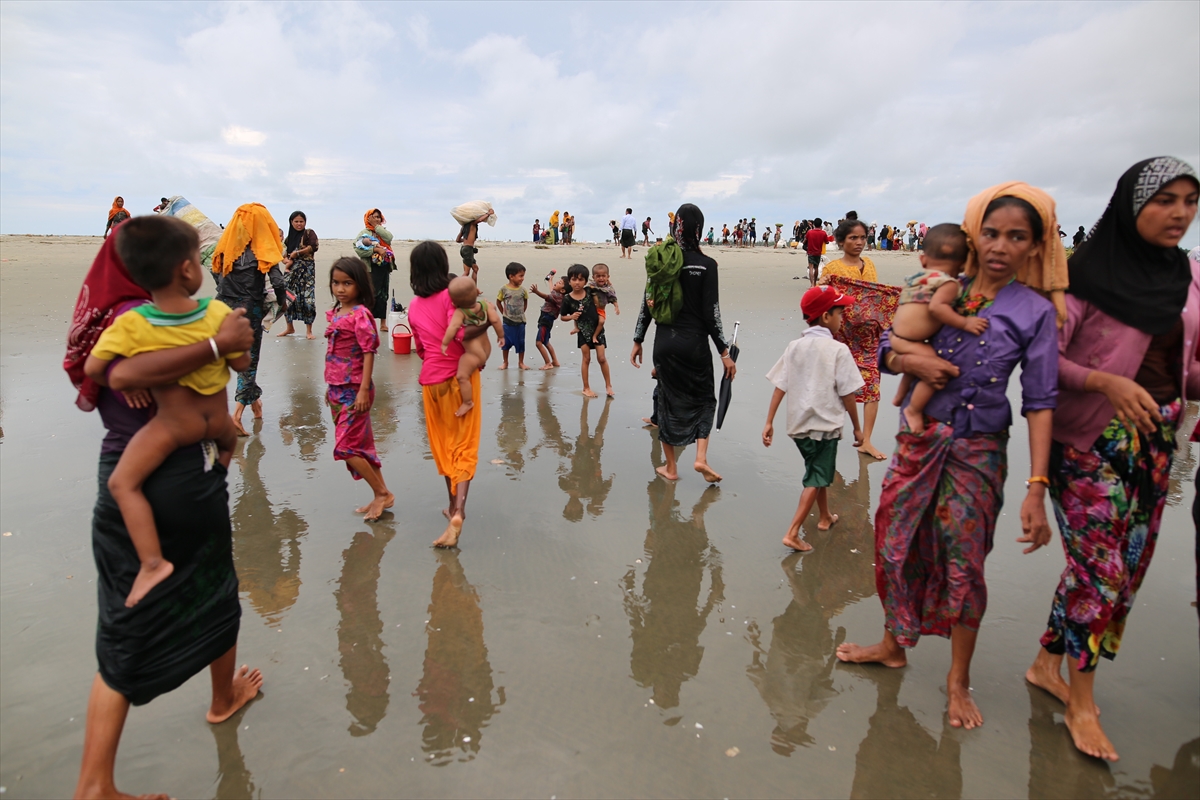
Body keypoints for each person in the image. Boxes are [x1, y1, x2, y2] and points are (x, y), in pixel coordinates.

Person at [836, 182, 1064, 734]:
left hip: (979, 449)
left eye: (1017, 237)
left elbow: (1040, 400)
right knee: (894, 543)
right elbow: (887, 349)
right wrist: (920, 360)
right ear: (973, 236)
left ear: (1034, 247)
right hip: (919, 440)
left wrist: (1038, 485)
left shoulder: (1033, 312)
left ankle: (957, 680)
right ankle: (894, 645)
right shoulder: (940, 286)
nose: (1001, 246)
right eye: (991, 233)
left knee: (965, 561)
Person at [66, 231, 261, 800]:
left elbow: (108, 375)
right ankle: (98, 783)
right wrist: (215, 351)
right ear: (183, 268)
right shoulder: (151, 316)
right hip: (180, 473)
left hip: (158, 469)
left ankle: (220, 700)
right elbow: (131, 377)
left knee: (152, 609)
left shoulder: (117, 317)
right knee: (209, 588)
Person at [1024, 157, 1199, 762]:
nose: (1180, 213)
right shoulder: (1079, 279)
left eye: (1190, 200)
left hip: (1158, 440)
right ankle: (1080, 702)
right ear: (1131, 205)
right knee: (1102, 573)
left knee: (1126, 565)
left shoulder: (1190, 277)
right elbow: (1047, 366)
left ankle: (1048, 663)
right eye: (1165, 200)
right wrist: (1105, 382)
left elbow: (1186, 367)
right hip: (1089, 444)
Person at [85, 215, 249, 608]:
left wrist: (137, 374)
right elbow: (241, 363)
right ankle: (219, 478)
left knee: (122, 484)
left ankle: (153, 562)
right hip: (221, 426)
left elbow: (94, 370)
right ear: (189, 268)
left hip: (177, 428)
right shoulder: (216, 313)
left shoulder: (134, 324)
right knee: (224, 458)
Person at [631, 203, 735, 482]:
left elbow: (646, 304)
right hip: (695, 345)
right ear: (699, 229)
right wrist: (724, 352)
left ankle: (671, 468)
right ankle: (700, 458)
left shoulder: (663, 260)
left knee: (667, 401)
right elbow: (711, 313)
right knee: (703, 400)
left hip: (664, 344)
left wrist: (638, 339)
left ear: (675, 226)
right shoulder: (706, 265)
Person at [762, 285, 864, 552]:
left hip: (798, 426)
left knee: (817, 471)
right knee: (817, 476)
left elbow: (780, 386)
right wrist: (857, 428)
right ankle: (793, 532)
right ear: (826, 316)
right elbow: (849, 394)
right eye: (840, 312)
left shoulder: (794, 346)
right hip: (825, 427)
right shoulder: (838, 350)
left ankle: (824, 516)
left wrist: (769, 421)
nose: (843, 318)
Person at [408, 242, 487, 547]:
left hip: (431, 383)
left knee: (443, 447)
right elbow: (470, 330)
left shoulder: (414, 306)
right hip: (461, 380)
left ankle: (450, 505)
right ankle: (459, 512)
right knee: (464, 445)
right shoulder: (452, 298)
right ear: (443, 266)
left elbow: (420, 349)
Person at [322, 255, 394, 521]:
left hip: (355, 389)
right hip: (336, 389)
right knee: (362, 444)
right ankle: (382, 494)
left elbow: (368, 352)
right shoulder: (336, 313)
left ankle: (381, 493)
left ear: (360, 286)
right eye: (336, 283)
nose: (340, 289)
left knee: (346, 447)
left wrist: (364, 389)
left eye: (347, 283)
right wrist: (329, 391)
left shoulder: (360, 315)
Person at [888, 223, 974, 433]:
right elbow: (937, 308)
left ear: (923, 260)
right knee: (935, 366)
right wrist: (964, 323)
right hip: (912, 339)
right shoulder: (949, 284)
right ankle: (914, 409)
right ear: (962, 265)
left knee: (914, 364)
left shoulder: (917, 278)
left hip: (897, 336)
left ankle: (900, 396)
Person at [818, 219, 892, 459]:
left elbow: (875, 298)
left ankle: (867, 441)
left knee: (872, 388)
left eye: (862, 238)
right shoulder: (832, 270)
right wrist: (821, 286)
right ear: (841, 241)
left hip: (869, 337)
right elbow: (821, 301)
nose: (859, 242)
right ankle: (830, 439)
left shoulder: (869, 264)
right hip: (842, 337)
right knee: (838, 390)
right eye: (853, 238)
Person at [211, 202, 287, 435]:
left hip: (222, 307)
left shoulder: (225, 247)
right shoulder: (262, 249)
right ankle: (235, 415)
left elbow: (216, 272)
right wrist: (281, 305)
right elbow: (278, 282)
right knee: (249, 360)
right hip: (248, 308)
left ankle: (256, 404)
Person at [441, 275, 504, 416]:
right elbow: (495, 320)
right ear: (476, 292)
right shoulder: (485, 305)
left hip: (473, 354)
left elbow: (453, 328)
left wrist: (445, 343)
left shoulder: (460, 312)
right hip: (486, 349)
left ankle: (467, 402)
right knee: (465, 374)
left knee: (462, 377)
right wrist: (501, 336)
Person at [560, 263, 613, 398]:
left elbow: (605, 287)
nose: (577, 282)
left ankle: (608, 385)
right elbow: (562, 317)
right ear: (569, 281)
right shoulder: (567, 299)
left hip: (597, 329)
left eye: (581, 279)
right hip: (583, 331)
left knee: (601, 358)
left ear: (585, 280)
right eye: (574, 279)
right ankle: (586, 387)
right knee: (586, 358)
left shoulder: (590, 291)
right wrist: (572, 317)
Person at [279, 211, 319, 339]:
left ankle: (309, 331)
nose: (299, 224)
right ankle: (289, 327)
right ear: (291, 222)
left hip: (307, 271)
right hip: (291, 272)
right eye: (296, 221)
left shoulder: (309, 233)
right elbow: (282, 254)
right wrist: (286, 261)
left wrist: (298, 253)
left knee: (308, 300)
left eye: (301, 221)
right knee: (288, 298)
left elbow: (314, 246)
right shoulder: (289, 239)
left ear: (305, 222)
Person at [354, 209, 395, 331]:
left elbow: (389, 238)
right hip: (370, 269)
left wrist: (377, 227)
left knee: (383, 295)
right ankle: (367, 322)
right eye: (374, 217)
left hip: (384, 268)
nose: (377, 219)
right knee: (370, 295)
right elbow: (358, 249)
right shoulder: (363, 233)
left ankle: (383, 323)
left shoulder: (382, 232)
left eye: (379, 217)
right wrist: (375, 250)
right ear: (368, 218)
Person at [496, 261, 530, 370]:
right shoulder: (504, 289)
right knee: (505, 343)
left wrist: (521, 312)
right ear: (511, 276)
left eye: (523, 276)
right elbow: (498, 302)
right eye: (520, 276)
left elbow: (525, 302)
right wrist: (504, 313)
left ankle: (521, 362)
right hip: (507, 322)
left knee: (521, 343)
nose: (522, 278)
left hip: (520, 322)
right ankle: (505, 362)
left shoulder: (523, 290)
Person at [530, 275, 565, 370]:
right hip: (547, 319)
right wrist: (550, 281)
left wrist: (536, 292)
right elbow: (551, 291)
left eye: (560, 283)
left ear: (562, 290)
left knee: (538, 343)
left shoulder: (558, 297)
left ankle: (548, 363)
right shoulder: (557, 294)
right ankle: (555, 361)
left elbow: (546, 296)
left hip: (546, 319)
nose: (557, 282)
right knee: (546, 342)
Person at [456, 209, 492, 283]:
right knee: (466, 272)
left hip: (465, 249)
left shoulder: (464, 227)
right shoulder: (472, 224)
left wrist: (466, 240)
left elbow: (458, 240)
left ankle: (474, 289)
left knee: (475, 269)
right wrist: (488, 213)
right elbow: (480, 220)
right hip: (467, 250)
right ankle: (456, 287)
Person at [804, 218, 833, 286]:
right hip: (818, 252)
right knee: (816, 267)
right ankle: (814, 283)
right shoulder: (823, 233)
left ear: (814, 224)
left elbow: (804, 241)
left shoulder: (810, 232)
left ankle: (811, 284)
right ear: (821, 224)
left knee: (811, 267)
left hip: (810, 251)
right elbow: (827, 242)